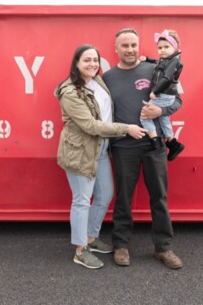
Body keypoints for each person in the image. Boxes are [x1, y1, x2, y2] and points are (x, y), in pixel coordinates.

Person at [55, 44, 147, 269]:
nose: (92, 64)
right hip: (81, 151)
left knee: (105, 195)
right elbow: (90, 125)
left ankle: (90, 238)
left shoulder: (98, 81)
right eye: (86, 60)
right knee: (82, 201)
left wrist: (145, 60)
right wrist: (126, 128)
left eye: (95, 60)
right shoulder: (70, 92)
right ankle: (80, 250)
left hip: (101, 148)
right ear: (76, 63)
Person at [102, 28, 183, 269]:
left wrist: (161, 111)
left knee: (159, 198)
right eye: (124, 46)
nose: (130, 50)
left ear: (139, 46)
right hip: (124, 147)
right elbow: (104, 115)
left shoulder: (155, 69)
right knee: (123, 198)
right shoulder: (107, 78)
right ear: (116, 49)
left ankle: (164, 248)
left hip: (153, 145)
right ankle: (121, 245)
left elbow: (176, 100)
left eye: (133, 45)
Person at [139, 29, 185, 161]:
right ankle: (173, 143)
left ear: (174, 47)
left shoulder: (175, 62)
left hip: (163, 95)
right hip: (166, 95)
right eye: (160, 48)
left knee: (145, 115)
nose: (162, 50)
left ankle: (155, 141)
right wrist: (147, 59)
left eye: (166, 47)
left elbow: (166, 78)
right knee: (163, 118)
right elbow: (159, 64)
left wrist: (155, 91)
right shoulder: (168, 60)